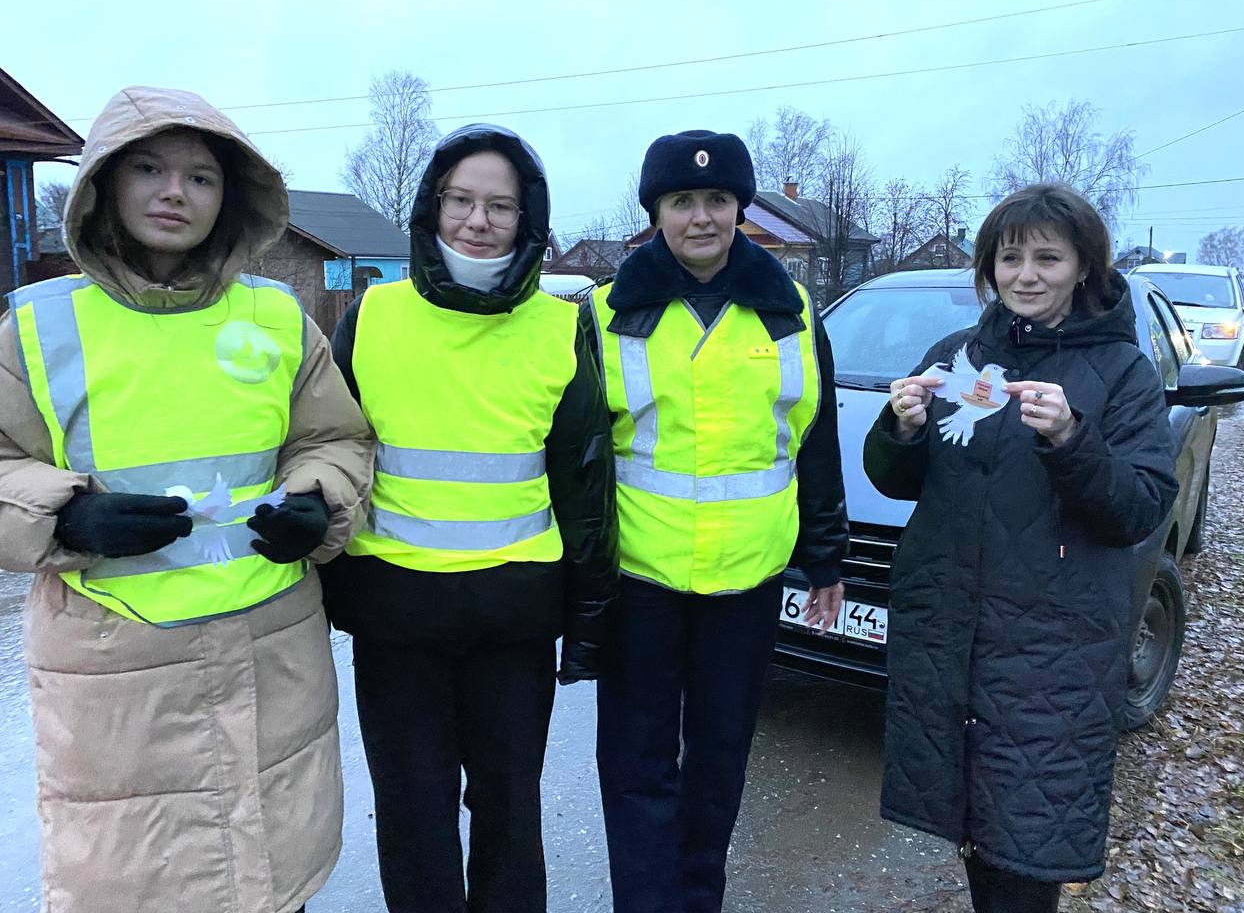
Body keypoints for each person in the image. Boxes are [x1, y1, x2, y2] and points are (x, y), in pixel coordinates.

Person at [0, 87, 375, 913]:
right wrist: (60, 513)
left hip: (270, 647)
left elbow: (334, 440)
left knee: (275, 881)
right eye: (149, 169)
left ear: (229, 198)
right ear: (103, 184)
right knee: (141, 887)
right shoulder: (36, 327)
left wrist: (315, 500)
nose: (176, 193)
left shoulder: (278, 318)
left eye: (201, 178)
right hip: (116, 671)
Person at [321, 123, 618, 913]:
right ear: (432, 204)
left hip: (513, 624)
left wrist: (590, 617)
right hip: (396, 621)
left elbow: (584, 482)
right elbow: (329, 452)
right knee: (414, 821)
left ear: (528, 220)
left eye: (500, 206)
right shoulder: (372, 315)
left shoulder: (562, 324)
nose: (477, 221)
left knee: (509, 815)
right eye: (461, 199)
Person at [864, 183, 1178, 913]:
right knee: (973, 827)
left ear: (1083, 268)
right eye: (1011, 258)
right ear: (990, 267)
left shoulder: (1121, 372)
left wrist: (1072, 439)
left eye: (1048, 257)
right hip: (951, 643)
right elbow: (900, 481)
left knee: (1028, 847)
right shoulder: (959, 355)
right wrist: (901, 427)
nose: (1026, 275)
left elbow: (1138, 508)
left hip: (1050, 656)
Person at [586, 129, 848, 913]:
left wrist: (826, 559)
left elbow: (816, 439)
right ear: (655, 212)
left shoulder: (791, 310)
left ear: (739, 206)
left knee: (719, 764)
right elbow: (582, 458)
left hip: (748, 581)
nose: (701, 217)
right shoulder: (607, 312)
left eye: (717, 200)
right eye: (681, 201)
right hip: (642, 581)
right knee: (636, 769)